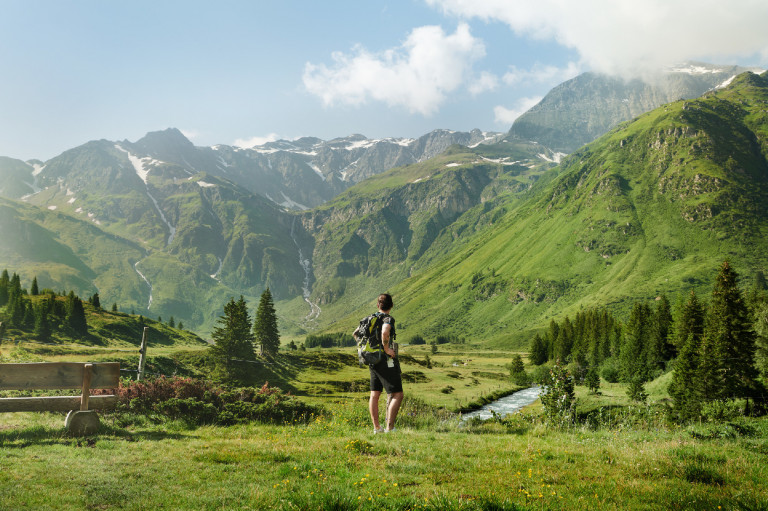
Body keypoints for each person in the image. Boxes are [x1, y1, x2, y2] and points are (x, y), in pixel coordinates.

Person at [368, 293, 403, 434]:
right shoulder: (388, 318)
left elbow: (356, 333)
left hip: (371, 359)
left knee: (374, 394)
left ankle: (377, 428)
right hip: (384, 360)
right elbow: (385, 332)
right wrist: (387, 348)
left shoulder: (369, 318)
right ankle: (390, 428)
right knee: (397, 394)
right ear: (391, 305)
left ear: (378, 305)